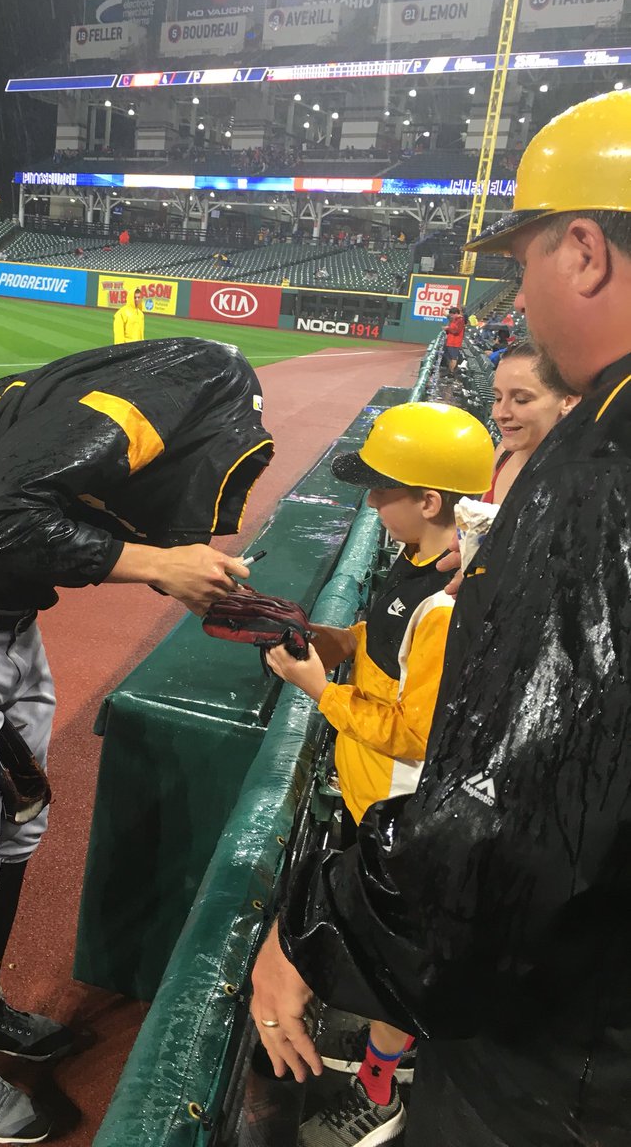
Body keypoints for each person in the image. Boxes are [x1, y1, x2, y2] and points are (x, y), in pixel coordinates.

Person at [249, 89, 631, 1146]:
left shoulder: (600, 468)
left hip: (571, 1060)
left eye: (528, 257)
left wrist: (306, 934)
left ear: (587, 252)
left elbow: (516, 825)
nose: (520, 286)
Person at [0, 338, 275, 1144]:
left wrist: (168, 565)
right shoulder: (113, 409)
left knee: (21, 830)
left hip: (13, 634)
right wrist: (155, 562)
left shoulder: (87, 400)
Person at [264, 403, 493, 1147]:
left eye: (381, 490)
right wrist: (330, 642)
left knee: (393, 962)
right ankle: (388, 1057)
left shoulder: (447, 606)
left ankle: (381, 1092)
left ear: (427, 501)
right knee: (386, 955)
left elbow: (415, 735)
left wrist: (316, 690)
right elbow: (381, 644)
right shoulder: (422, 561)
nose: (369, 502)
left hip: (401, 808)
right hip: (373, 794)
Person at [484, 343, 580, 504]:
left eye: (522, 400)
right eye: (498, 398)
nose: (501, 413)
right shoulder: (503, 452)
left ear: (567, 401)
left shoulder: (580, 484)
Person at [443, 306, 465, 373]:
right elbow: (445, 314)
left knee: (453, 358)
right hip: (451, 341)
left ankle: (451, 372)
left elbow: (456, 331)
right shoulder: (455, 319)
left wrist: (448, 328)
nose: (451, 316)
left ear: (456, 313)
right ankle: (449, 371)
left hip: (455, 342)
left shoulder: (460, 320)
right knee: (448, 357)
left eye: (452, 315)